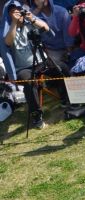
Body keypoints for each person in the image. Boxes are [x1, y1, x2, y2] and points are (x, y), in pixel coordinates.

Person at [3, 0, 53, 128]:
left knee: (61, 68)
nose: (17, 14)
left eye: (18, 11)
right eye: (13, 12)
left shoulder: (29, 22)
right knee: (30, 84)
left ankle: (67, 100)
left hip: (41, 60)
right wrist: (14, 22)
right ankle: (37, 116)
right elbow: (8, 42)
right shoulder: (7, 28)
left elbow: (46, 28)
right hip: (23, 67)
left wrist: (32, 19)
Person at [30, 0, 73, 71]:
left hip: (67, 49)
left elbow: (68, 37)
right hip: (49, 50)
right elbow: (26, 21)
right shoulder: (33, 13)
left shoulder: (61, 11)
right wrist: (38, 9)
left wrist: (69, 53)